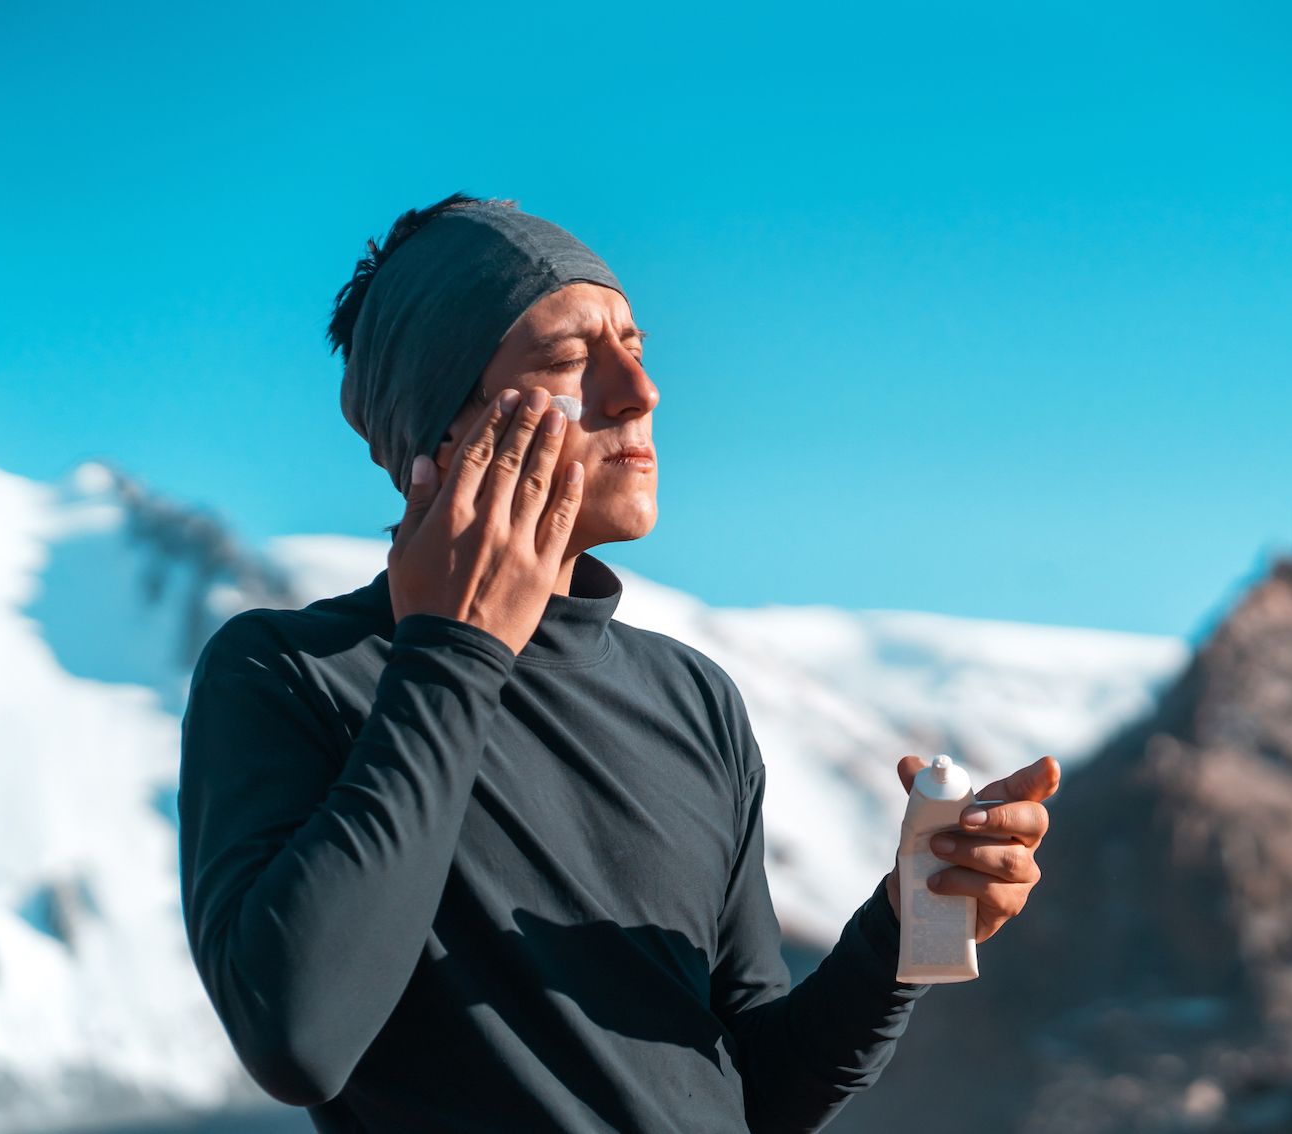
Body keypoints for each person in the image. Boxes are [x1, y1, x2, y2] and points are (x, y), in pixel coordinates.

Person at [176, 192, 1060, 1133]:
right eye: (567, 359)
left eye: (633, 346)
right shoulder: (291, 674)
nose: (638, 392)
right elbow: (296, 1038)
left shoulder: (690, 698)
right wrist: (453, 653)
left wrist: (903, 931)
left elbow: (747, 1087)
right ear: (444, 428)